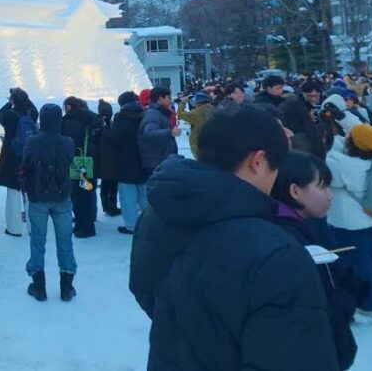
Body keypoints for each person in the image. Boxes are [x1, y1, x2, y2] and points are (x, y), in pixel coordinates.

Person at [129, 104, 338, 370]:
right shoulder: (278, 253)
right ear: (258, 161)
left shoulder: (154, 213)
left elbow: (144, 288)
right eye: (277, 165)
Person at [270, 152, 358, 370]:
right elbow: (315, 313)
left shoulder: (297, 226)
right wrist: (349, 294)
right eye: (322, 187)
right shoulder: (290, 241)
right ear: (295, 191)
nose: (330, 195)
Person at [326, 123, 372, 317]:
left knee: (358, 260)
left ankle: (368, 303)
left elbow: (332, 176)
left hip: (350, 221)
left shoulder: (338, 162)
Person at [21, 103, 78, 302]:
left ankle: (39, 286)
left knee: (38, 239)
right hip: (62, 196)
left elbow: (25, 164)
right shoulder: (67, 142)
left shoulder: (32, 141)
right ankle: (67, 286)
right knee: (65, 241)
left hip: (38, 196)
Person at [0, 88, 38, 237]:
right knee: (29, 194)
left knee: (13, 193)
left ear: (12, 101)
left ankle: (14, 228)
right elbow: (32, 107)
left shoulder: (9, 116)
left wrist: (10, 102)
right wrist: (23, 96)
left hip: (12, 158)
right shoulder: (32, 113)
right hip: (29, 157)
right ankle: (34, 227)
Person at [105, 92, 147, 234]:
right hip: (143, 157)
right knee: (143, 192)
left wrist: (106, 130)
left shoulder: (121, 118)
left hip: (126, 160)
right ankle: (150, 220)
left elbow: (115, 139)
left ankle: (131, 225)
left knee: (127, 195)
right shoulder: (145, 114)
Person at [60, 97, 100, 238]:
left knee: (78, 196)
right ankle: (87, 224)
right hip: (90, 163)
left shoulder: (71, 122)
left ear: (69, 107)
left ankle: (84, 227)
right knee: (87, 193)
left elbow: (68, 143)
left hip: (77, 165)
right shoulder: (92, 118)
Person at [137, 87, 180, 173]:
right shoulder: (153, 114)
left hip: (161, 160)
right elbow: (149, 133)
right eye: (168, 98)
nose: (170, 100)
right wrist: (170, 132)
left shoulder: (161, 113)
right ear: (160, 99)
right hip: (156, 162)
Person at [94, 100, 121, 217]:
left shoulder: (97, 124)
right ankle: (112, 206)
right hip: (112, 159)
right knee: (112, 184)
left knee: (105, 183)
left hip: (101, 159)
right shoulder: (109, 125)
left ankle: (106, 205)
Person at [176, 92, 215, 158]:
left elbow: (180, 114)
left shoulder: (196, 113)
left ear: (198, 103)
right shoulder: (214, 110)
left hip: (199, 145)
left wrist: (183, 103)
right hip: (212, 144)